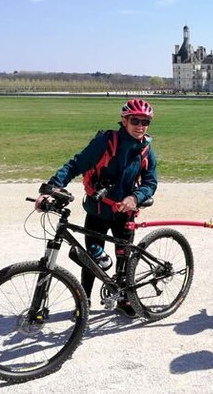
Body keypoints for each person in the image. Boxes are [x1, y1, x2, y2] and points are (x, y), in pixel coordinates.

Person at [37, 98, 158, 318]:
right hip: (98, 211)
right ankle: (84, 300)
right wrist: (52, 188)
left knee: (124, 258)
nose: (140, 126)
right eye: (135, 120)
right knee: (91, 261)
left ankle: (123, 298)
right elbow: (75, 164)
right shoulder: (105, 142)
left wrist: (135, 197)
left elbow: (151, 183)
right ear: (124, 120)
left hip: (125, 214)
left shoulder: (146, 149)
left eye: (145, 122)